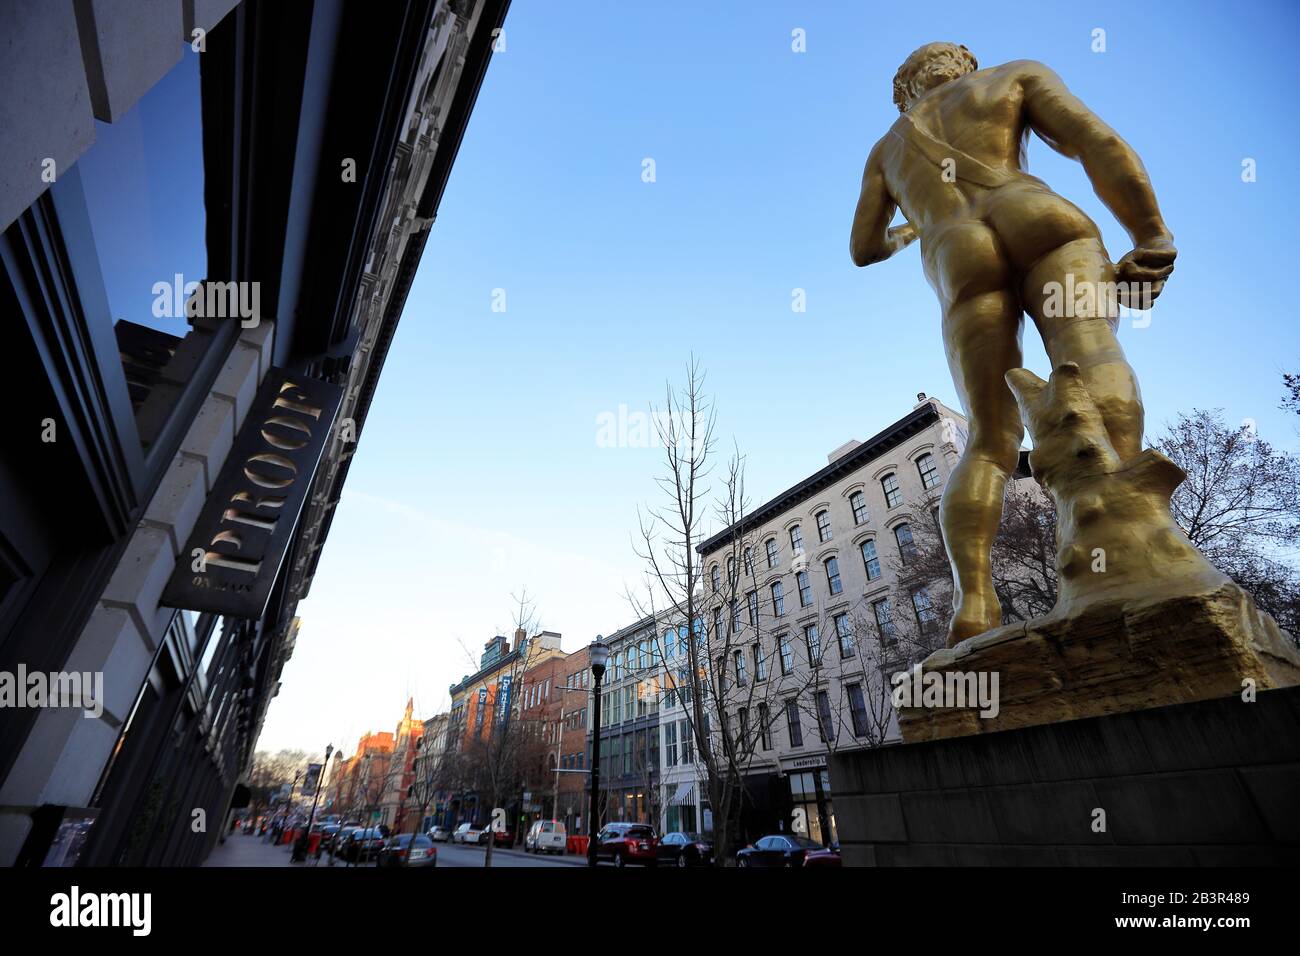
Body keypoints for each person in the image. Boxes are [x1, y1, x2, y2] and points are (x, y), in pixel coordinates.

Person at [851, 42, 1176, 643]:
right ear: (962, 67)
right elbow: (1094, 142)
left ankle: (973, 608)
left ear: (906, 91)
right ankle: (1131, 541)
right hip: (1039, 219)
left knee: (990, 438)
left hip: (958, 258)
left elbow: (863, 250)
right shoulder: (1013, 77)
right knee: (1092, 356)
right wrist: (1150, 232)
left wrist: (916, 224)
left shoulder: (886, 151)